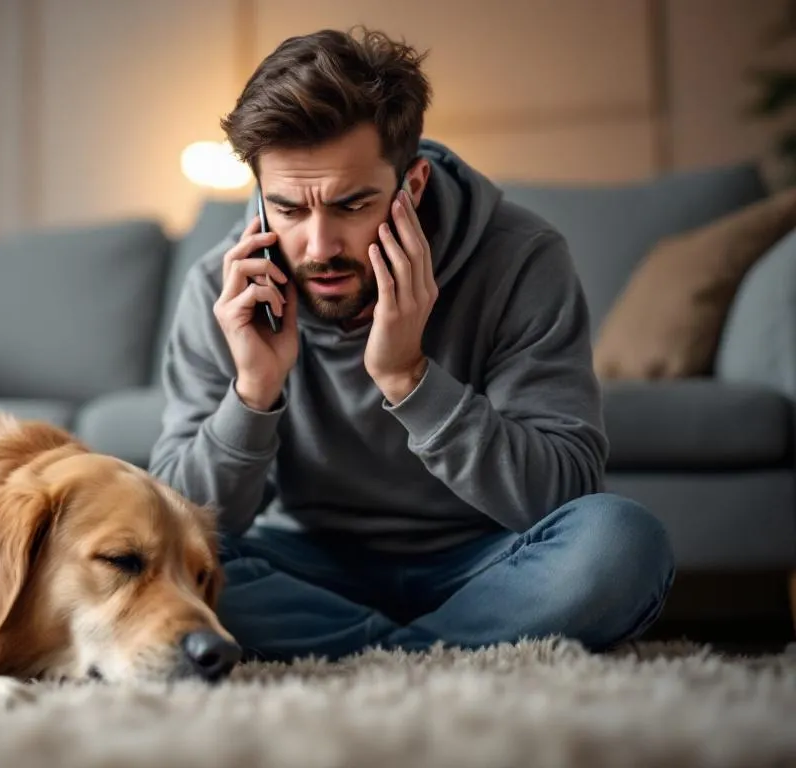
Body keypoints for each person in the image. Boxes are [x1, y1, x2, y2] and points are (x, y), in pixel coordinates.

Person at [148, 26, 675, 662]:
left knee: (622, 542)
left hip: (487, 562)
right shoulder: (223, 285)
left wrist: (409, 378)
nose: (319, 248)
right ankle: (437, 652)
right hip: (309, 563)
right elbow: (181, 523)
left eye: (352, 204)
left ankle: (363, 652)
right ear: (260, 195)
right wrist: (254, 392)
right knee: (166, 564)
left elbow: (563, 492)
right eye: (287, 209)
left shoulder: (521, 259)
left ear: (413, 186)